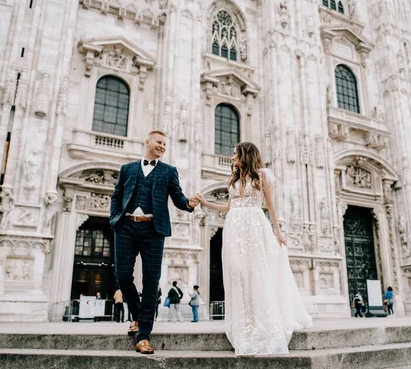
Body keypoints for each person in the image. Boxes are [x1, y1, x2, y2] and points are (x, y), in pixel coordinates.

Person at [195, 142, 312, 355]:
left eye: (235, 154)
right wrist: (205, 202)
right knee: (237, 271)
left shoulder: (262, 176)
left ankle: (261, 321)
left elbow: (271, 205)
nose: (231, 158)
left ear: (245, 154)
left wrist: (278, 232)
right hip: (233, 226)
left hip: (254, 225)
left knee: (256, 272)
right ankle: (245, 320)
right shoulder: (234, 178)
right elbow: (228, 206)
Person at [110, 130, 199, 354]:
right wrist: (114, 220)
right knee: (122, 276)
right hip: (126, 226)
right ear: (147, 142)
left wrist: (189, 203)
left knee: (151, 282)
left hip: (153, 229)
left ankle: (143, 335)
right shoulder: (127, 168)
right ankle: (138, 316)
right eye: (159, 142)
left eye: (164, 144)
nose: (162, 146)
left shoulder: (169, 171)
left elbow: (178, 198)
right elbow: (117, 195)